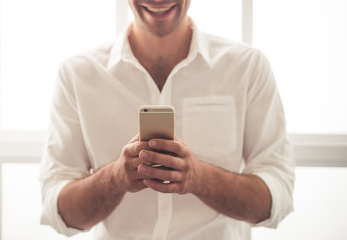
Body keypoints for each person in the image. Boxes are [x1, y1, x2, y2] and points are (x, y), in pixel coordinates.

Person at [39, 0, 295, 239]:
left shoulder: (248, 67)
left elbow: (276, 198)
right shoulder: (76, 75)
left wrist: (200, 178)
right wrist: (115, 179)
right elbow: (60, 212)